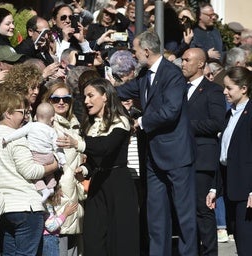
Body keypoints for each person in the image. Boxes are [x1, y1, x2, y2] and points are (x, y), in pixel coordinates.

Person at [116, 30, 197, 256]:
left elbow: (170, 111)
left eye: (135, 51)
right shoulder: (144, 75)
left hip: (177, 155)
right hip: (153, 157)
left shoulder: (172, 74)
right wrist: (99, 89)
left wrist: (140, 121)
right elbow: (123, 90)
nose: (133, 56)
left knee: (184, 216)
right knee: (156, 216)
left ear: (146, 51)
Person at [0, 89, 58, 255]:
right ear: (8, 113)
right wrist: (54, 165)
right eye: (22, 112)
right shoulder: (16, 137)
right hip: (25, 207)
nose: (25, 116)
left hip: (3, 208)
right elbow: (31, 171)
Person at [70, 78, 139, 255]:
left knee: (120, 238)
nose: (86, 101)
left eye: (91, 96)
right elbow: (95, 160)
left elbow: (106, 147)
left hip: (118, 185)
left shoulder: (120, 121)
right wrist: (85, 170)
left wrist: (78, 144)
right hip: (98, 184)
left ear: (105, 96)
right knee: (94, 236)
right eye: (85, 97)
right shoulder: (90, 125)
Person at [181, 47, 225, 255]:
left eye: (187, 60)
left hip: (201, 159)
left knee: (203, 212)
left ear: (200, 64)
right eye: (182, 59)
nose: (183, 63)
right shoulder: (180, 88)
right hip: (181, 159)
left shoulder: (212, 90)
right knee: (184, 212)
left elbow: (217, 122)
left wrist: (186, 125)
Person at [207, 67, 252, 256]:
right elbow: (223, 153)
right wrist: (214, 188)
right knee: (240, 240)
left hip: (246, 190)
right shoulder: (229, 114)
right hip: (231, 185)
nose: (224, 92)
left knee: (247, 241)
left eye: (229, 88)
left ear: (243, 88)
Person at [41, 81, 86, 256]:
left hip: (74, 189)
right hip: (57, 193)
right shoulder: (47, 127)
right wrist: (51, 186)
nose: (61, 102)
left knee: (73, 244)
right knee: (60, 243)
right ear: (48, 101)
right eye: (56, 99)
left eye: (65, 99)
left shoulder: (75, 124)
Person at [2, 102, 66, 202]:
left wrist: (7, 138)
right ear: (52, 118)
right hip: (49, 156)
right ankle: (51, 187)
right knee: (49, 173)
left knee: (36, 175)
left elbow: (18, 133)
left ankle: (44, 189)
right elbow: (57, 146)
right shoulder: (52, 131)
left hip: (36, 155)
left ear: (35, 116)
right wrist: (62, 159)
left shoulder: (31, 125)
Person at [39, 184, 78, 256]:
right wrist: (65, 214)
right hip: (49, 239)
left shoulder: (48, 205)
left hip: (50, 238)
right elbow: (51, 226)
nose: (62, 195)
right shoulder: (47, 206)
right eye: (60, 192)